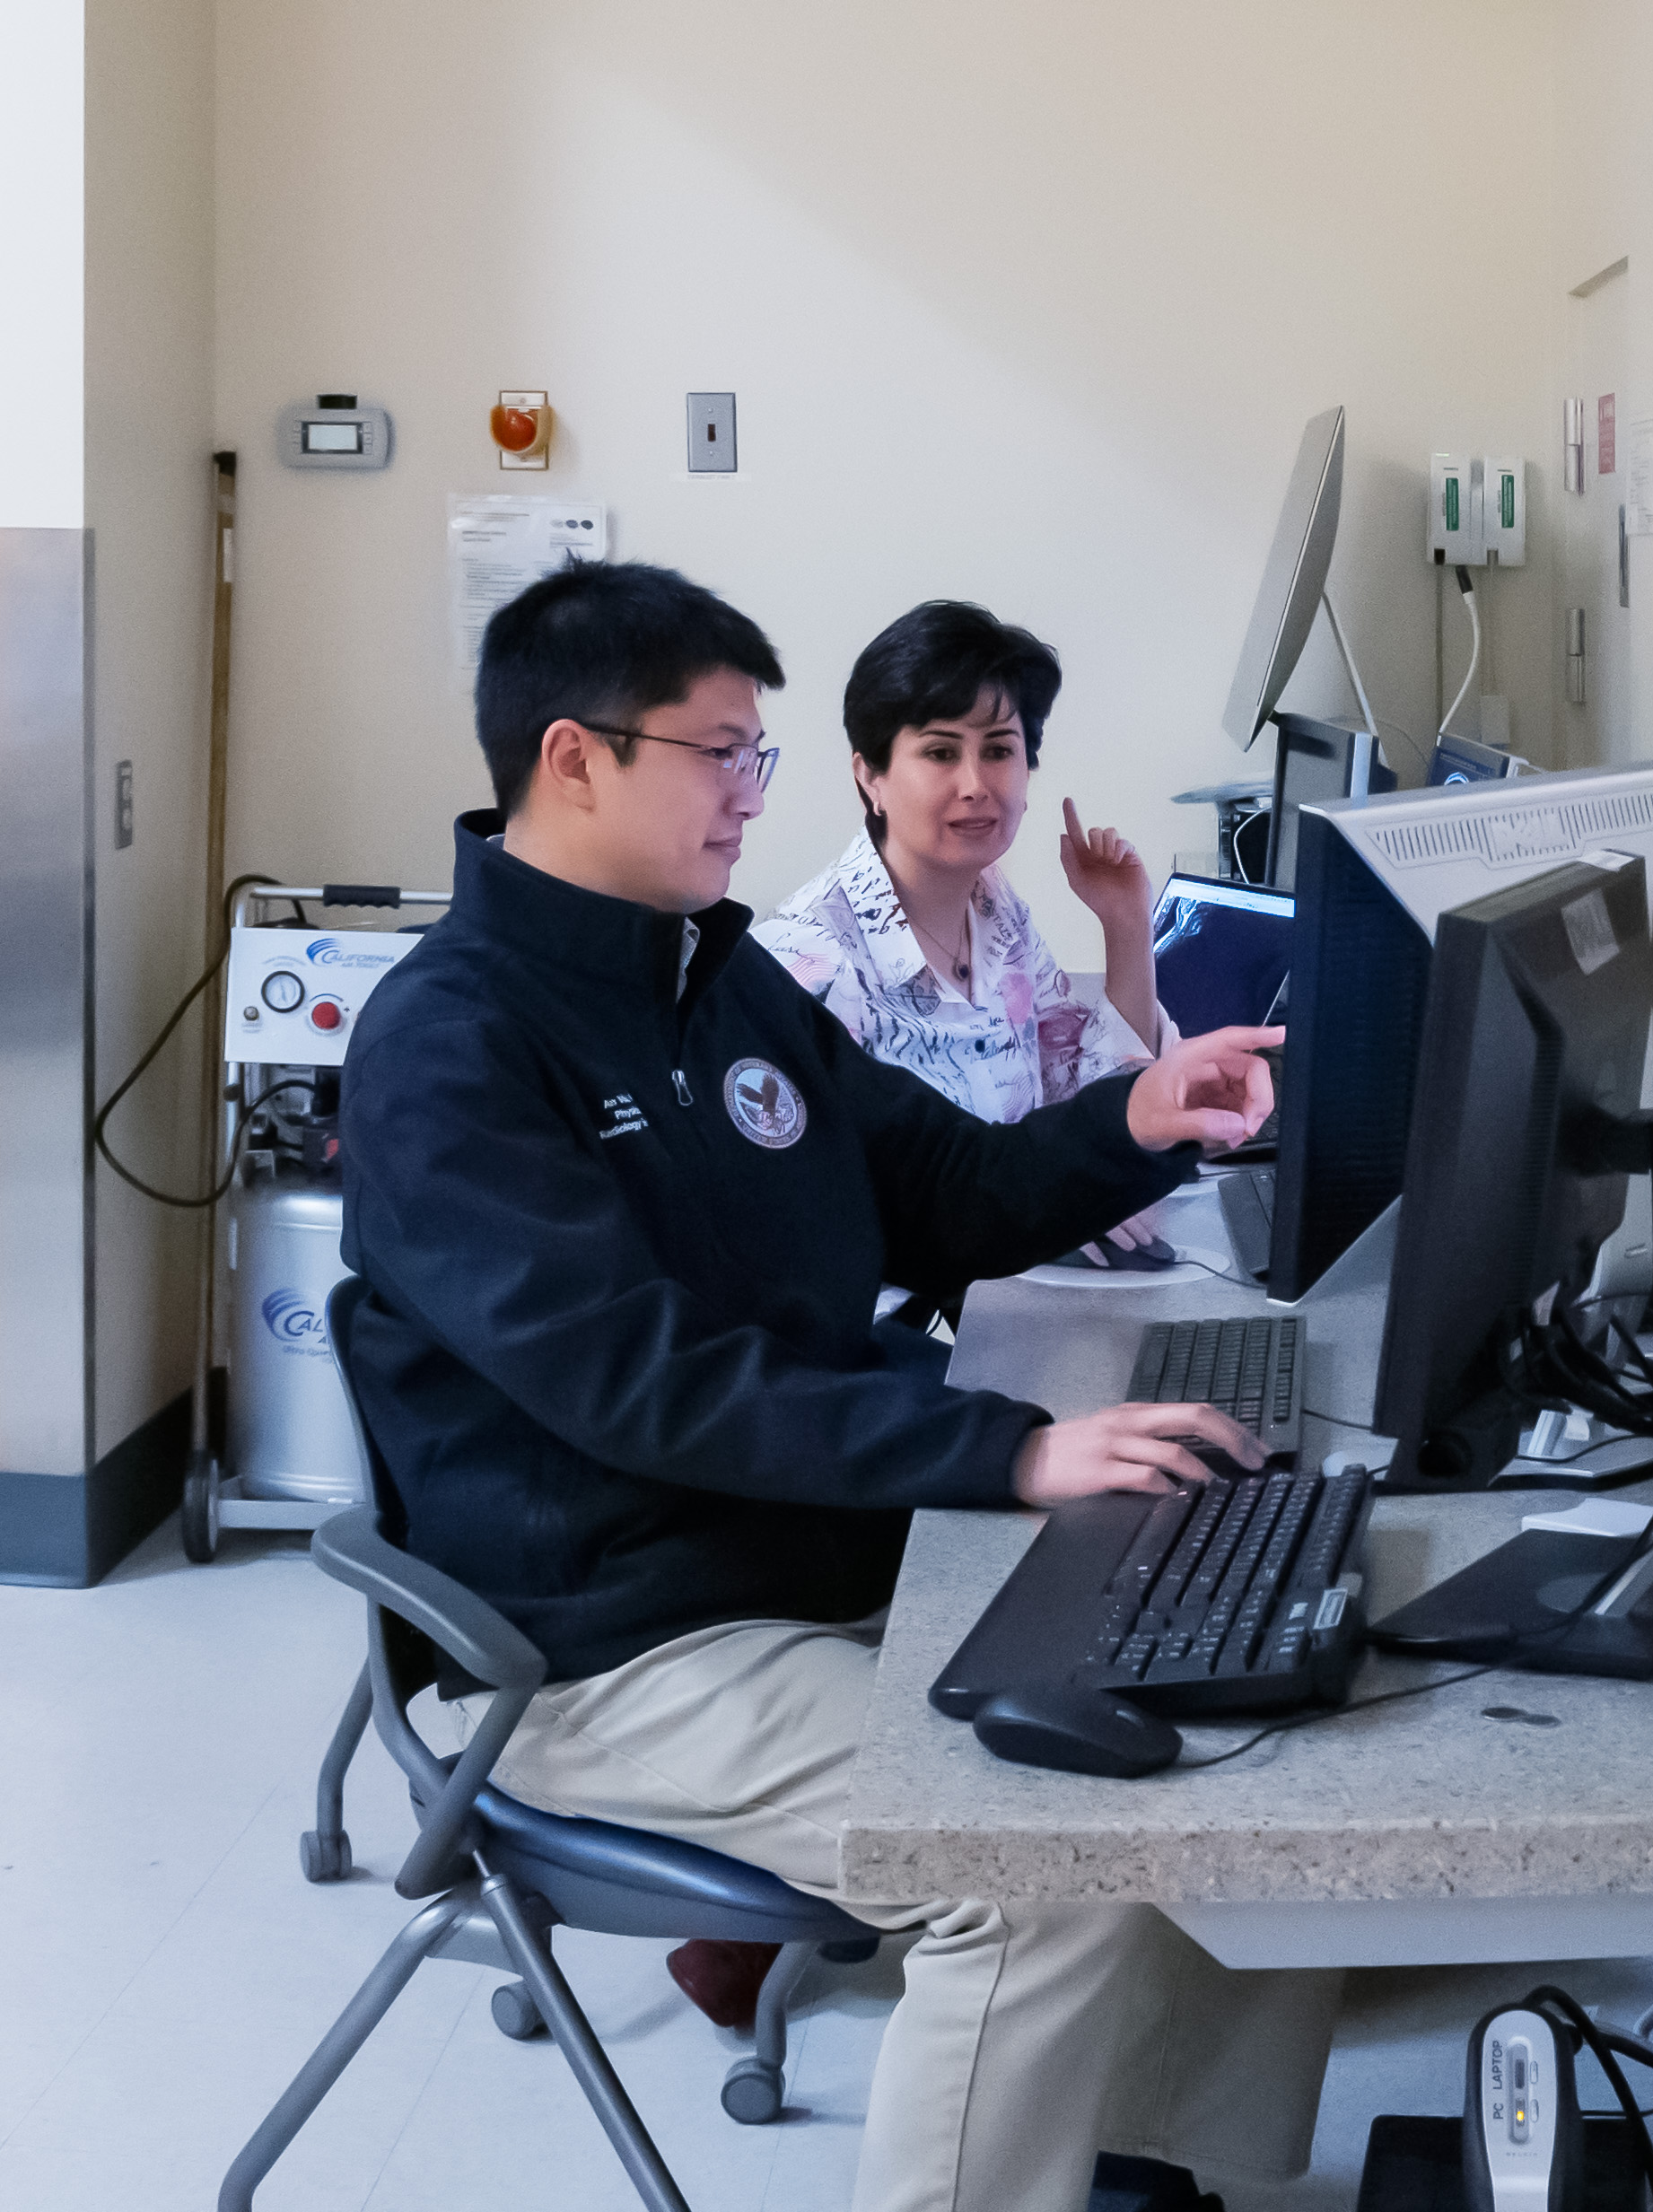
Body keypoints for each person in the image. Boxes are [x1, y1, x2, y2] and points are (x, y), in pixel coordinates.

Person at [332, 562, 1330, 2212]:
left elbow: (938, 1185)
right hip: (618, 1643)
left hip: (819, 1547)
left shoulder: (713, 979)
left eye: (759, 755)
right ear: (574, 759)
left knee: (1237, 1685)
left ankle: (1142, 2165)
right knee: (1029, 1870)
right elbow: (642, 1379)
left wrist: (1137, 1118)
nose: (752, 792)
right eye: (720, 754)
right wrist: (1007, 1452)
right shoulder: (449, 1045)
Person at [752, 601, 1176, 1264]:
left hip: (1017, 1280)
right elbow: (809, 1209)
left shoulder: (996, 909)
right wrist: (1052, 1206)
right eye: (941, 752)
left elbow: (1080, 1094)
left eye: (999, 750)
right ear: (870, 776)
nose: (976, 784)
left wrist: (1125, 923)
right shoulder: (807, 962)